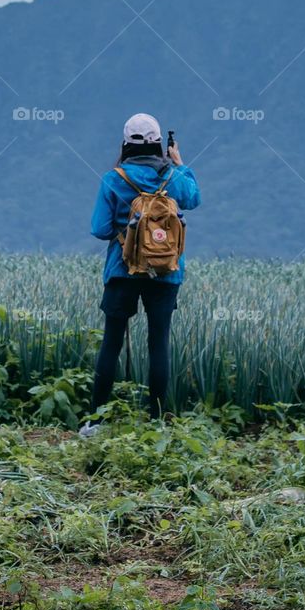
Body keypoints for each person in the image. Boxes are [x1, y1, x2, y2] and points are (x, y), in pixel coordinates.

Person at [79, 113, 200, 436]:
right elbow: (194, 198)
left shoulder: (113, 178)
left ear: (125, 142)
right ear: (158, 142)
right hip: (166, 273)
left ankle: (96, 422)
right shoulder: (173, 176)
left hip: (122, 271)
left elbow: (99, 229)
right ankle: (157, 423)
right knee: (158, 343)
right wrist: (179, 162)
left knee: (111, 344)